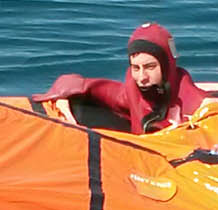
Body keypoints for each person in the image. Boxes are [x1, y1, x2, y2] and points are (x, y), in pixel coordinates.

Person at [37, 22, 209, 134]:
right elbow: (79, 84)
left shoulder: (192, 100)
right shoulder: (132, 93)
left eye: (150, 67)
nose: (142, 77)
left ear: (167, 67)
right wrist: (60, 99)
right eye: (136, 68)